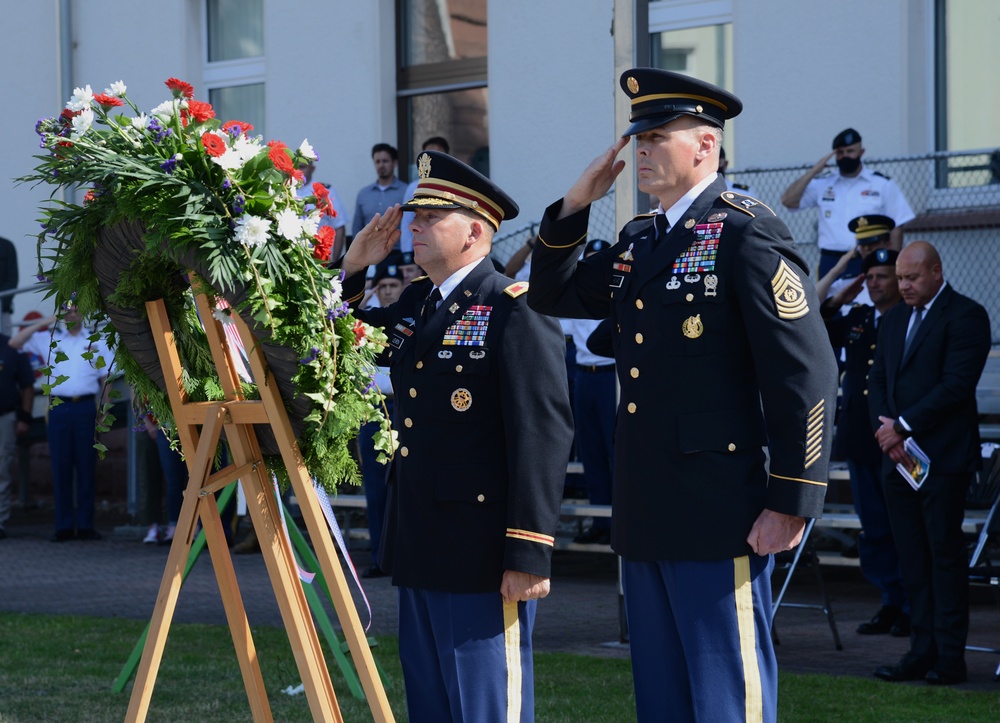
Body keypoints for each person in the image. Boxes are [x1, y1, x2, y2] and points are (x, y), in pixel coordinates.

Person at [527, 68, 839, 722]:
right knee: (663, 701)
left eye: (657, 135)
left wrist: (792, 499)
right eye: (637, 136)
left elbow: (804, 372)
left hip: (719, 511)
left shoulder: (746, 232)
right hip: (647, 510)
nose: (640, 148)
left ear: (705, 144)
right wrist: (573, 207)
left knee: (727, 698)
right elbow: (553, 294)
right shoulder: (642, 241)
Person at [339, 150, 574, 721]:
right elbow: (338, 349)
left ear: (474, 231)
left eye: (429, 217)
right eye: (414, 215)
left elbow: (542, 432)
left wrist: (529, 551)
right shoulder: (419, 302)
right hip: (420, 536)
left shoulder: (513, 307)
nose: (413, 226)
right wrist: (352, 269)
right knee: (431, 702)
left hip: (481, 548)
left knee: (486, 702)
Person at [868, 241, 991, 685]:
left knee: (943, 555)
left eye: (912, 278)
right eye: (900, 278)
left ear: (937, 272)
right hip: (896, 458)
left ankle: (949, 657)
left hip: (941, 458)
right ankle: (920, 651)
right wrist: (887, 432)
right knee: (912, 558)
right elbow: (878, 376)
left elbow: (956, 385)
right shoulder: (894, 317)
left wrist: (902, 426)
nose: (904, 286)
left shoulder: (966, 315)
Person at [822, 248, 909, 636]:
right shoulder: (856, 318)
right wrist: (840, 291)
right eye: (869, 277)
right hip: (860, 438)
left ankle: (911, 605)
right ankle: (890, 602)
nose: (874, 283)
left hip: (899, 440)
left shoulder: (909, 318)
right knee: (874, 527)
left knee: (902, 525)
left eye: (882, 276)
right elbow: (812, 321)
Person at [10, 306, 110, 541]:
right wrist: (49, 320)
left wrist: (103, 415)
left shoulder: (96, 340)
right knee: (61, 467)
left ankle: (85, 525)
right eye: (67, 311)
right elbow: (15, 342)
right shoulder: (49, 338)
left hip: (86, 408)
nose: (72, 315)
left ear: (84, 313)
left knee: (86, 466)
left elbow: (107, 379)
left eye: (76, 311)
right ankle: (63, 525)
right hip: (59, 408)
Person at [780, 128, 915, 278]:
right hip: (831, 261)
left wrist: (891, 263)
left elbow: (897, 225)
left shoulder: (881, 184)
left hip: (868, 259)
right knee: (827, 302)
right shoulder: (823, 183)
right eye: (840, 153)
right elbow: (788, 200)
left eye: (850, 151)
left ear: (861, 152)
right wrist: (813, 171)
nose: (845, 156)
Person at [562, 238, 615, 545]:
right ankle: (599, 521)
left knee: (614, 450)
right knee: (591, 450)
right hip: (584, 376)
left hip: (612, 377)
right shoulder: (580, 296)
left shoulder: (619, 292)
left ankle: (618, 521)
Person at [356, 260, 405, 578]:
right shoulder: (370, 323)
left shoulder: (412, 315)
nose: (388, 292)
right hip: (373, 410)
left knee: (405, 486)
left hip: (403, 409)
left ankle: (404, 556)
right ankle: (380, 557)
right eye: (383, 287)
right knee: (375, 489)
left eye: (393, 286)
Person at [816, 214, 897, 304]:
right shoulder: (850, 282)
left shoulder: (896, 279)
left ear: (888, 245)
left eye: (872, 243)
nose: (867, 248)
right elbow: (812, 301)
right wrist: (836, 270)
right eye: (862, 244)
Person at [0, 332, 34, 539]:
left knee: (2, 469)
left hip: (5, 417)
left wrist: (25, 417)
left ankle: (0, 521)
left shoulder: (11, 346)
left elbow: (27, 385)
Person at [398, 137, 450, 253]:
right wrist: (407, 254)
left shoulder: (455, 187)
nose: (432, 160)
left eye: (437, 155)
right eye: (428, 156)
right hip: (420, 249)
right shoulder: (414, 187)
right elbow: (407, 221)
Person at [351, 143, 407, 240]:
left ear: (395, 163)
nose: (381, 165)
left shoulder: (406, 191)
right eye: (377, 161)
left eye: (385, 161)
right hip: (369, 251)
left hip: (398, 251)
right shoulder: (363, 194)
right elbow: (357, 227)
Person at [0, 236, 17, 336]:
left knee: (4, 347)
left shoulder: (6, 246)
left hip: (2, 311)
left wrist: (1, 302)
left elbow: (12, 280)